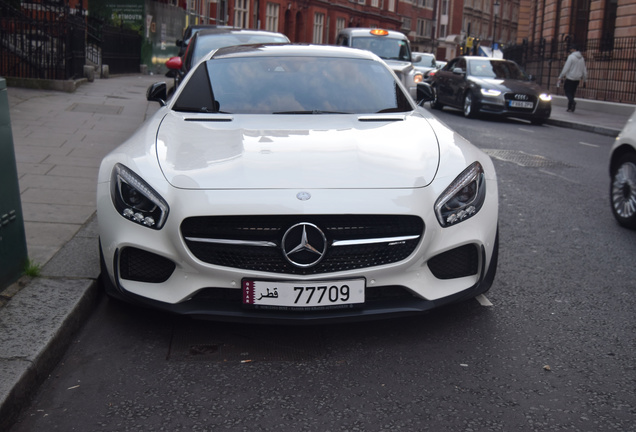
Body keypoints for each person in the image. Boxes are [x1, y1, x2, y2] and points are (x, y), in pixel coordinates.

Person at [557, 45, 588, 112]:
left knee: (567, 91)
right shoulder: (582, 58)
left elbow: (566, 68)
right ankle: (570, 107)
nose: (570, 50)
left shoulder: (571, 57)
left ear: (574, 49)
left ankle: (572, 102)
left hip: (570, 78)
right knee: (572, 92)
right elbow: (584, 70)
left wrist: (561, 76)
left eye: (571, 49)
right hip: (577, 79)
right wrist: (585, 80)